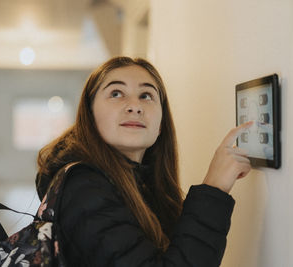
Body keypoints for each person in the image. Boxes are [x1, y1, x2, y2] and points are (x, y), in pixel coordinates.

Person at [35, 56, 253, 266]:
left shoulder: (143, 186)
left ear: (160, 124)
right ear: (89, 116)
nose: (134, 106)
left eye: (146, 96)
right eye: (116, 93)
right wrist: (213, 188)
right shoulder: (84, 189)